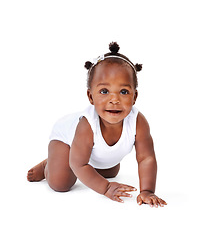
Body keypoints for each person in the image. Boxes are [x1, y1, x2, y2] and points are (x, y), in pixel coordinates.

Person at [27, 42, 167, 207]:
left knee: (111, 171)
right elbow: (79, 164)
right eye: (104, 91)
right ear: (90, 96)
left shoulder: (138, 122)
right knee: (61, 182)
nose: (114, 99)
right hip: (66, 141)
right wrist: (106, 188)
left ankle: (80, 159)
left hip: (93, 154)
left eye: (123, 92)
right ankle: (49, 163)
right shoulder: (87, 125)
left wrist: (147, 191)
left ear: (134, 97)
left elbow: (146, 158)